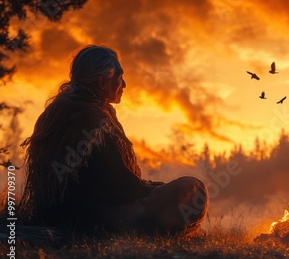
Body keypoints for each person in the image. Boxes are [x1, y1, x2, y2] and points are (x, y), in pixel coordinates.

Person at [17, 45, 208, 236]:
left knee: (171, 193)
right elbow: (122, 186)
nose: (124, 84)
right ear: (102, 82)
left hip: (61, 212)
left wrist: (153, 187)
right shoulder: (94, 119)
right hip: (97, 218)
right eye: (120, 77)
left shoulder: (60, 109)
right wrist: (152, 189)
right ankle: (164, 228)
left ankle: (172, 225)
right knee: (192, 188)